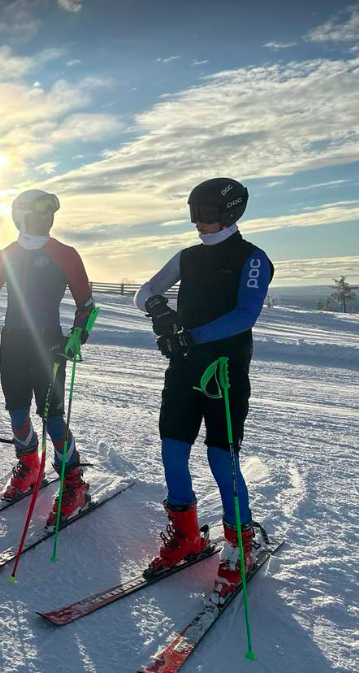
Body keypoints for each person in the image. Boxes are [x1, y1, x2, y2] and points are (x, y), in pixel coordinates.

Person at [135, 177, 273, 602]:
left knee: (219, 455)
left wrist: (189, 336)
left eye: (207, 214)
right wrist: (160, 312)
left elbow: (245, 316)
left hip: (224, 372)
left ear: (230, 213)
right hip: (182, 370)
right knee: (172, 450)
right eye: (193, 213)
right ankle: (187, 534)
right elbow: (144, 292)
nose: (199, 222)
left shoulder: (252, 259)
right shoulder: (188, 256)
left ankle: (240, 545)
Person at [0, 189, 96, 526]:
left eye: (50, 214)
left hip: (50, 344)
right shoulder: (5, 254)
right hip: (13, 342)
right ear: (20, 216)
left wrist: (77, 336)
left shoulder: (65, 254)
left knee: (52, 418)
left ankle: (74, 483)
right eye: (38, 214)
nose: (46, 220)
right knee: (17, 412)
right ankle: (30, 465)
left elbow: (87, 305)